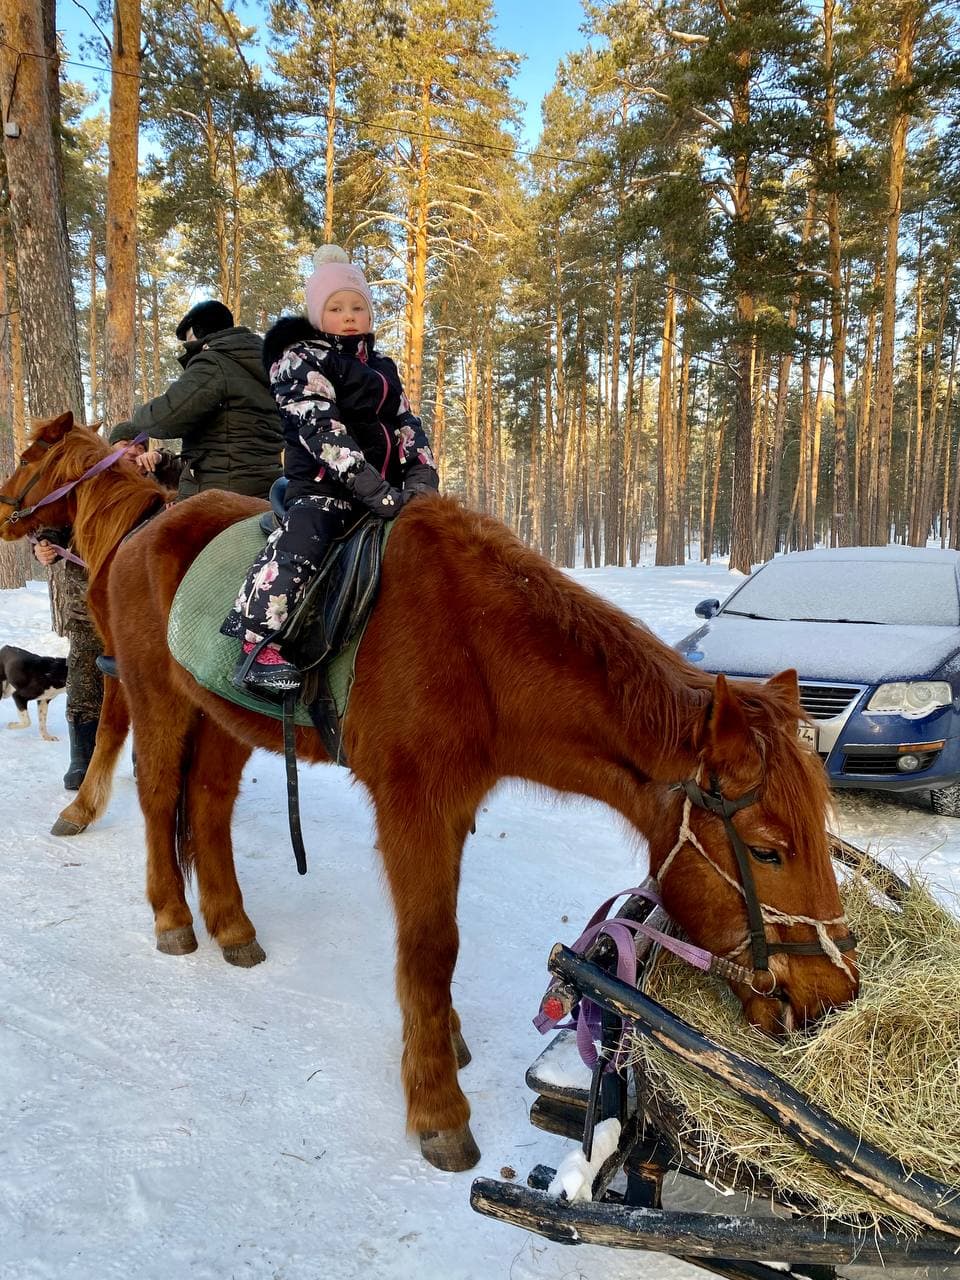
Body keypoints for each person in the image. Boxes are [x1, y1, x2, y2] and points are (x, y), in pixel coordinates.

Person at [221, 245, 439, 694]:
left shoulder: (382, 368)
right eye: (336, 307)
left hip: (386, 492)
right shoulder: (300, 360)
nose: (349, 316)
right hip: (326, 487)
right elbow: (319, 426)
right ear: (318, 314)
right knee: (307, 538)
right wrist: (365, 483)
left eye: (358, 307)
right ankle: (259, 642)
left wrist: (420, 475)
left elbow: (405, 422)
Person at [129, 300, 283, 501]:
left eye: (190, 340)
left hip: (219, 492)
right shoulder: (270, 367)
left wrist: (138, 413)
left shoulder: (214, 362)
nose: (191, 348)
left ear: (198, 331)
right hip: (268, 489)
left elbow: (162, 418)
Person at [106, 422, 185, 491]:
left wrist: (160, 459)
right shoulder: (98, 479)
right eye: (125, 444)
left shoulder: (154, 482)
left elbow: (178, 472)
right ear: (110, 448)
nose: (133, 452)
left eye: (140, 448)